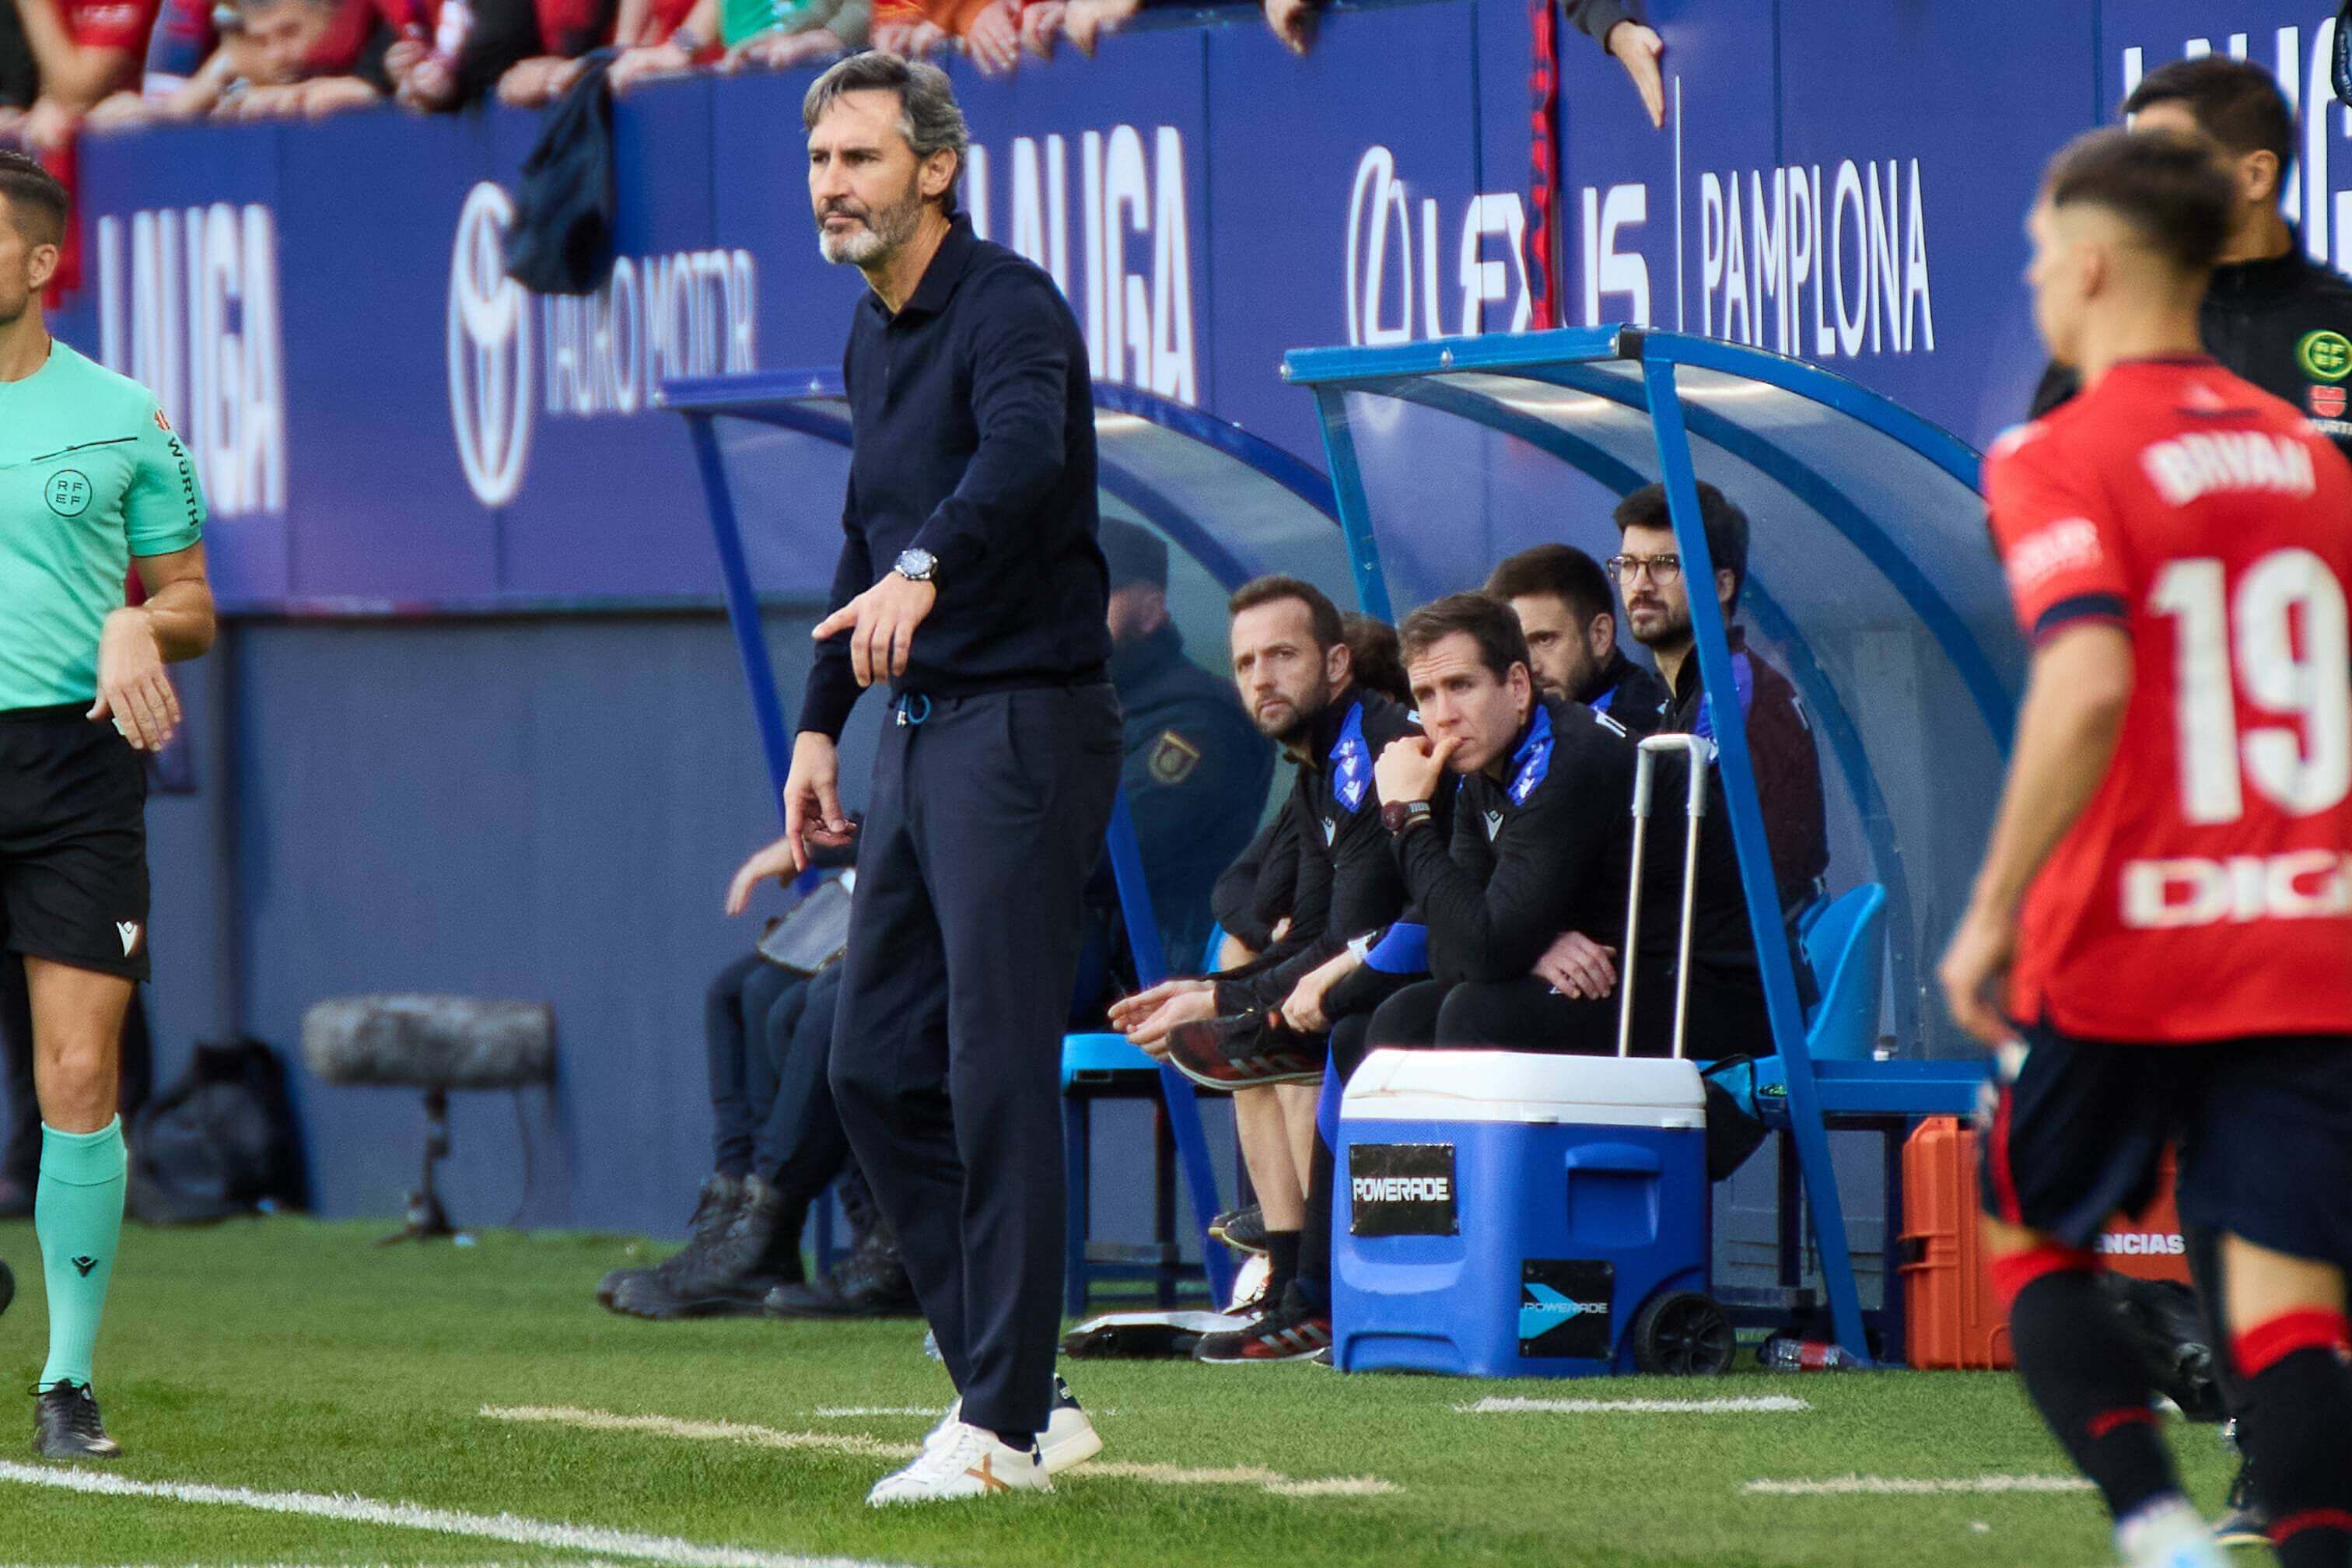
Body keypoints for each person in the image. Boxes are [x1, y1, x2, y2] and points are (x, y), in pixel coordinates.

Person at [1940, 127, 2352, 1568]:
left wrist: (1990, 908)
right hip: (2304, 927)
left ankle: (2158, 1533)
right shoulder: (2310, 457)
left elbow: (2087, 675)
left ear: (2098, 264)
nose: (2038, 280)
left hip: (2126, 931)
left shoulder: (2056, 449)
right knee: (2287, 1302)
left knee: (2029, 1237)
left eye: (2043, 255)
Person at [720, 56, 1118, 1507]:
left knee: (990, 1075)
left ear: (934, 170)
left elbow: (1018, 462)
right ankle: (1020, 1388)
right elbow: (861, 532)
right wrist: (821, 724)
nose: (831, 184)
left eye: (860, 160)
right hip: (922, 731)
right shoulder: (869, 329)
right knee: (869, 1069)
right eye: (819, 159)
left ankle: (1003, 1426)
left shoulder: (1009, 309)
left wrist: (924, 565)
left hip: (1024, 727)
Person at [0, 149, 214, 1461]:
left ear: (36, 264)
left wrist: (140, 619)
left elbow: (192, 600)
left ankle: (67, 1384)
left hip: (74, 771)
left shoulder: (127, 413)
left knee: (79, 1074)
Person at [1115, 577, 1433, 1363]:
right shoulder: (1320, 765)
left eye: (1282, 655)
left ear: (1335, 663)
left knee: (1297, 1022)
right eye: (1247, 661)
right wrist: (1217, 992)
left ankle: (1316, 1295)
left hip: (1439, 973)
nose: (1261, 678)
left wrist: (1225, 999)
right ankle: (1292, 1288)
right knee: (1255, 1025)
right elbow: (1271, 904)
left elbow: (1349, 937)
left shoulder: (1377, 747)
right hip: (1376, 967)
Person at [2033, 55, 2352, 465]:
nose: (2143, 187)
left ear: (2256, 176)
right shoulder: (2114, 328)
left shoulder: (2342, 319)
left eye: (2171, 162)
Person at [1609, 481, 1828, 918]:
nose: (1641, 584)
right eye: (1628, 565)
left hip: (1742, 958)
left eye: (1666, 564)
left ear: (1723, 585)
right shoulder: (1696, 685)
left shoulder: (1729, 688)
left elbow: (1672, 842)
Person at [1099, 516, 1272, 971]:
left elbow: (1111, 850)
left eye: (1100, 593)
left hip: (1155, 967)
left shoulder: (1200, 719)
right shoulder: (1097, 703)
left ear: (1152, 610)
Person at [1486, 541, 1667, 737]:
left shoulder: (1637, 732)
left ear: (1600, 635)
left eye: (1545, 640)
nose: (1532, 667)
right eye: (1518, 648)